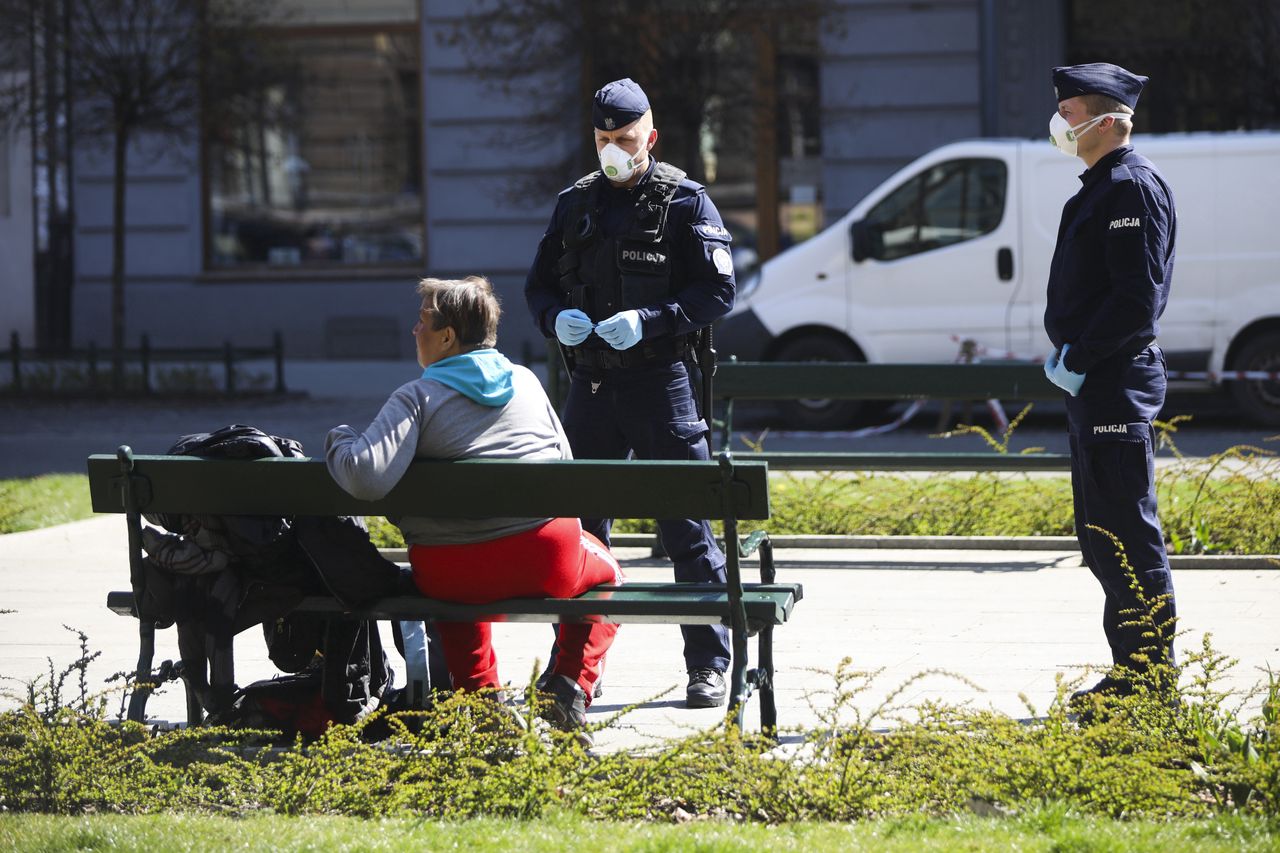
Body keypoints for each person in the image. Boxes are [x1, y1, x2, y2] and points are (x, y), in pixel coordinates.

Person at [326, 275, 621, 739]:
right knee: (610, 575)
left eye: (421, 322)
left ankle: (485, 700)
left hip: (450, 572)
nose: (413, 331)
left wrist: (339, 438)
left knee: (452, 593)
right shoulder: (526, 381)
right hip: (546, 562)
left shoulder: (416, 398)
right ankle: (568, 683)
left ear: (447, 337)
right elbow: (566, 468)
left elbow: (365, 476)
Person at [524, 78, 736, 708]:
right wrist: (551, 317)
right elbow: (539, 285)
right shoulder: (575, 203)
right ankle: (575, 674)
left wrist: (651, 319)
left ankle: (708, 664)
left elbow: (717, 292)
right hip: (590, 385)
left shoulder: (685, 201)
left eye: (624, 138)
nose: (612, 150)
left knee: (687, 532)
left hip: (659, 384)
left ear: (651, 136)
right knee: (581, 537)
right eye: (602, 140)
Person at [1041, 63, 1178, 705]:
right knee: (1101, 532)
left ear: (1109, 118)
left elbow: (1135, 302)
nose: (1061, 122)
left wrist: (1081, 354)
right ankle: (1131, 671)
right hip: (1096, 382)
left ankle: (1151, 682)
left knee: (1127, 530)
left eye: (1070, 111)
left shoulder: (1130, 188)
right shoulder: (1101, 187)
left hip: (1114, 379)